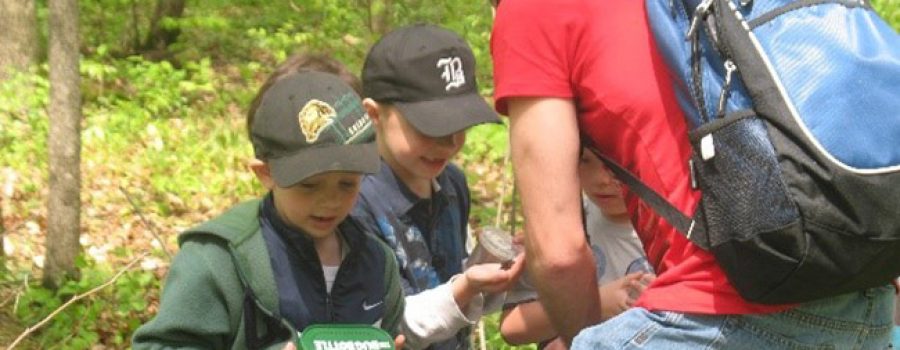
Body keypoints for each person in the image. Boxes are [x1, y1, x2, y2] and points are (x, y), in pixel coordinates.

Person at [490, 0, 895, 348]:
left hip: (716, 311)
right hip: (863, 300)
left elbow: (557, 252)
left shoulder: (535, 9)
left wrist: (584, 333)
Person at [133, 57, 405, 349]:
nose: (330, 200)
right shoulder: (217, 260)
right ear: (265, 173)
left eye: (348, 183)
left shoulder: (376, 261)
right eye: (309, 185)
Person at [352, 24, 525, 350]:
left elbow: (455, 286)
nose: (449, 143)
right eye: (430, 127)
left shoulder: (451, 184)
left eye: (460, 124)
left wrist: (502, 272)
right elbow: (385, 323)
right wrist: (466, 287)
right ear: (374, 114)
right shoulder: (356, 200)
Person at [499, 147, 654, 348]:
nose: (601, 179)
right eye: (585, 160)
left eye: (615, 162)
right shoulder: (560, 227)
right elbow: (513, 328)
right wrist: (597, 304)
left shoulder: (678, 231)